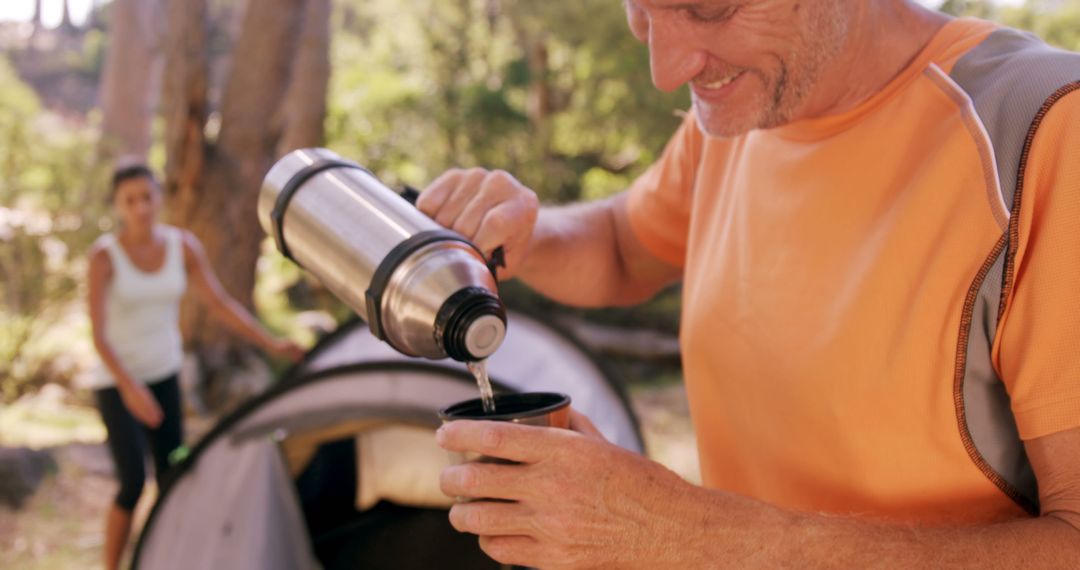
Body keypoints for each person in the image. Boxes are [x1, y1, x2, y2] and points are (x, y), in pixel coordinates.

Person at [418, 1, 1080, 567]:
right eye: (642, 9)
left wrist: (682, 538)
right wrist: (524, 231)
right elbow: (625, 247)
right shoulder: (742, 106)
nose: (667, 68)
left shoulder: (1046, 131)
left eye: (711, 8)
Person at [87, 164, 305, 570]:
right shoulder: (104, 256)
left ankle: (166, 557)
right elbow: (98, 335)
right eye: (129, 200)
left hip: (164, 373)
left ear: (159, 198)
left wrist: (272, 343)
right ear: (118, 206)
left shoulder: (182, 246)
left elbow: (221, 304)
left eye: (146, 197)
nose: (140, 207)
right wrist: (130, 388)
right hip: (117, 382)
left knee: (172, 474)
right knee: (132, 483)